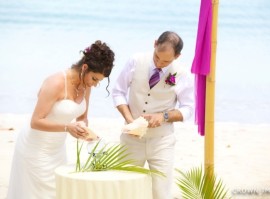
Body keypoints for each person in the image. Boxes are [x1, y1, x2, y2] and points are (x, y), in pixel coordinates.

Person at [7, 40, 115, 199]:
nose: (95, 84)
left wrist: (83, 129)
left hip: (57, 151)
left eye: (99, 81)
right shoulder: (56, 82)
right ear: (85, 68)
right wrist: (68, 128)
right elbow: (35, 121)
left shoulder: (86, 85)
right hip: (34, 150)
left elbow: (83, 117)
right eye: (94, 79)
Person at [112, 31, 194, 199]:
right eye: (157, 57)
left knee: (160, 192)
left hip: (162, 142)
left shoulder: (183, 73)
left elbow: (188, 109)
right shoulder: (136, 60)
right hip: (131, 139)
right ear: (155, 44)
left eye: (166, 61)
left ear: (177, 56)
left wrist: (164, 116)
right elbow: (118, 92)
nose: (159, 64)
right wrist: (129, 120)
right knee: (125, 190)